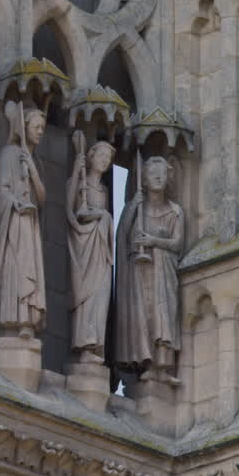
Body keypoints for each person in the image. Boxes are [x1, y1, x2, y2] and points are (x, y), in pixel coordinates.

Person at [115, 155, 185, 383]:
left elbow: (177, 244)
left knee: (163, 316)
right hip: (141, 272)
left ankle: (163, 367)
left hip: (164, 271)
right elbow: (122, 238)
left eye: (162, 175)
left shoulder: (175, 211)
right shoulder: (136, 208)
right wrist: (131, 211)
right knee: (143, 316)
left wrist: (153, 241)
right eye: (153, 175)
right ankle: (145, 363)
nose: (158, 179)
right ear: (144, 180)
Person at [0, 102, 47, 338]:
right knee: (15, 267)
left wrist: (33, 171)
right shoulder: (9, 154)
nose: (40, 132)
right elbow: (3, 190)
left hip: (30, 225)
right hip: (15, 222)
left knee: (29, 268)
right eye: (36, 127)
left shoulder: (34, 160)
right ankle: (13, 319)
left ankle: (27, 320)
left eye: (43, 128)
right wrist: (15, 202)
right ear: (23, 127)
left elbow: (42, 197)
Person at [67, 139, 116, 360]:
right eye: (101, 156)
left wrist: (100, 216)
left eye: (108, 158)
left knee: (101, 296)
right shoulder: (80, 183)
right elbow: (72, 212)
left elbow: (97, 215)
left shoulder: (104, 190)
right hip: (84, 248)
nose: (105, 161)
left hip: (100, 250)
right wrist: (76, 175)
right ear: (91, 156)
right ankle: (83, 342)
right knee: (86, 298)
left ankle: (95, 343)